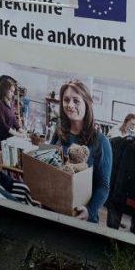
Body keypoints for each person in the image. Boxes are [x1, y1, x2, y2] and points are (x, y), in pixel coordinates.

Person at [51, 80, 112, 223]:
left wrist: (90, 211)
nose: (70, 105)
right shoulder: (58, 132)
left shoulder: (101, 141)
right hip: (56, 208)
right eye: (66, 100)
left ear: (87, 104)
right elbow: (49, 165)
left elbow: (103, 186)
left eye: (76, 101)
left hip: (81, 216)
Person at [0, 76, 22, 171]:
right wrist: (17, 134)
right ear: (5, 90)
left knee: (8, 163)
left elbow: (13, 119)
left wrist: (20, 129)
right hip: (0, 137)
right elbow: (2, 124)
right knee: (0, 163)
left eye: (13, 92)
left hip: (8, 137)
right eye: (11, 91)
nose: (13, 94)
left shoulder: (10, 102)